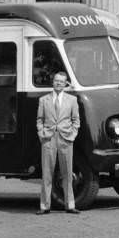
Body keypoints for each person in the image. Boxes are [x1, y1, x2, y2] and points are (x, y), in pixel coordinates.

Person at [36, 71, 81, 214]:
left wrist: (73, 135)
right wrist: (42, 134)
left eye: (61, 81)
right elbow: (39, 120)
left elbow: (76, 120)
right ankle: (45, 206)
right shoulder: (44, 100)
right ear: (53, 82)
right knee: (47, 173)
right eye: (56, 80)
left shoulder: (72, 100)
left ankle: (70, 205)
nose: (58, 83)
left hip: (66, 139)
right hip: (48, 139)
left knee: (67, 173)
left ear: (65, 84)